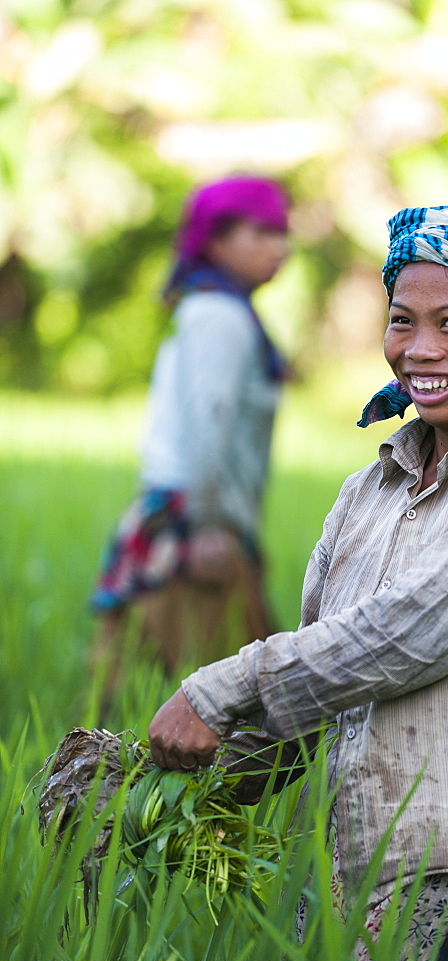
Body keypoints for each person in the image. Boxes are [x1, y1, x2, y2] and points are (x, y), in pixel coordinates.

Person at [148, 204, 448, 961]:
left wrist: (222, 686)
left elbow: (413, 632)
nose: (421, 350)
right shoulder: (371, 487)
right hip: (356, 865)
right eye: (403, 321)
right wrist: (170, 791)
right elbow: (327, 678)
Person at [91, 175, 291, 699]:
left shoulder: (215, 308)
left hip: (190, 517)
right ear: (217, 240)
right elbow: (210, 417)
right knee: (220, 706)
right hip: (194, 527)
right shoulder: (220, 316)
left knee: (160, 695)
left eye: (283, 233)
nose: (281, 247)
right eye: (262, 232)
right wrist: (206, 525)